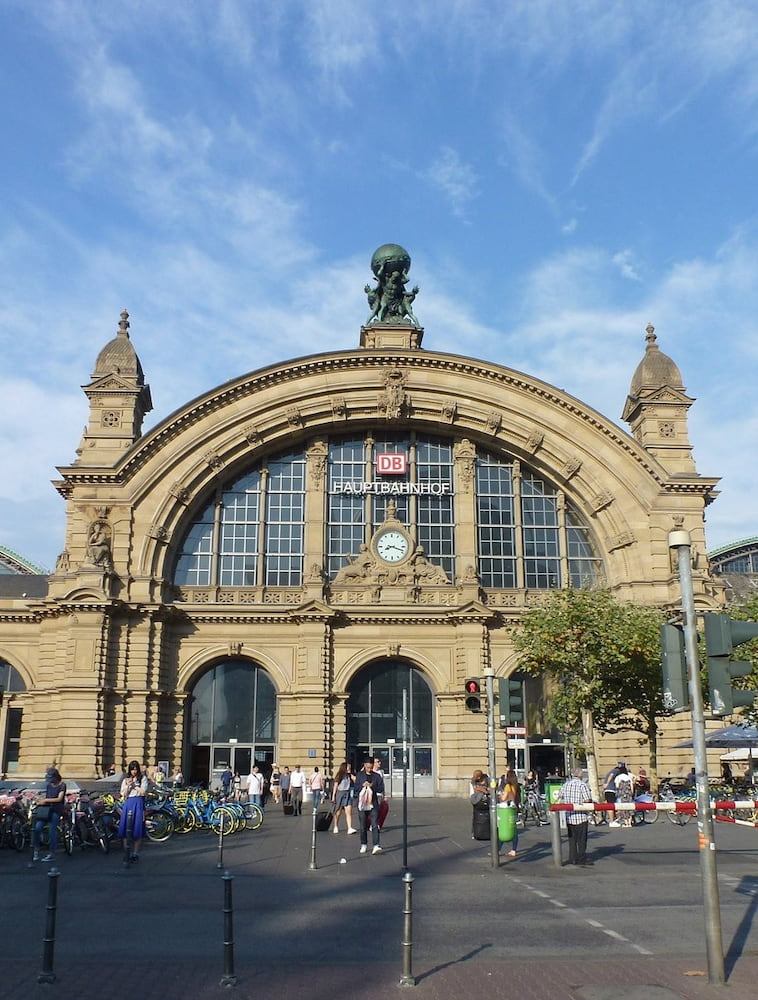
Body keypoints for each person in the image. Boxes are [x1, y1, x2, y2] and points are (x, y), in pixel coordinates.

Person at [558, 767, 594, 867]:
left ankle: (572, 858)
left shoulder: (566, 784)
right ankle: (581, 858)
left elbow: (560, 796)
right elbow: (587, 800)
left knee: (572, 839)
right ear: (580, 775)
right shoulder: (582, 785)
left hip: (569, 816)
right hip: (581, 815)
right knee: (582, 840)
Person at [32, 767, 67, 862]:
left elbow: (59, 799)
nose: (50, 781)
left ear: (56, 777)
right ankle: (36, 849)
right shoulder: (49, 785)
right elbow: (48, 795)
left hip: (56, 810)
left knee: (52, 831)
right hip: (46, 809)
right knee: (37, 828)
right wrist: (39, 799)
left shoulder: (62, 785)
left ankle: (52, 853)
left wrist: (45, 800)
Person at [118, 761, 149, 865]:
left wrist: (134, 785)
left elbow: (143, 791)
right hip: (129, 803)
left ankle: (135, 853)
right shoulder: (125, 780)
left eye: (135, 769)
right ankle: (127, 852)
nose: (134, 771)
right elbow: (124, 795)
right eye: (132, 769)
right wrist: (128, 786)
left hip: (138, 802)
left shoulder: (143, 778)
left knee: (138, 828)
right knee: (126, 829)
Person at [354, 758, 385, 854]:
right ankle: (364, 844)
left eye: (371, 767)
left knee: (375, 824)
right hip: (362, 803)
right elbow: (355, 788)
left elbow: (381, 788)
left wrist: (372, 786)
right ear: (364, 765)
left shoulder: (377, 776)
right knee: (363, 825)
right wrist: (362, 786)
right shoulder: (359, 775)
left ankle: (376, 845)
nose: (369, 769)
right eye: (367, 767)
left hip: (373, 803)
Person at [497, 769, 521, 857]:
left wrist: (499, 796)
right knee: (513, 828)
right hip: (513, 807)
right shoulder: (515, 786)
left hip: (505, 808)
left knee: (503, 828)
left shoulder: (507, 786)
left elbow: (504, 798)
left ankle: (498, 849)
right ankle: (514, 850)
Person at [331, 762, 356, 834]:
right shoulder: (339, 776)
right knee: (338, 812)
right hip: (340, 794)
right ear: (344, 768)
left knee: (349, 811)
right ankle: (335, 826)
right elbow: (335, 787)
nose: (350, 769)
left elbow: (355, 779)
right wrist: (333, 797)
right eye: (348, 767)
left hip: (347, 793)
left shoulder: (349, 776)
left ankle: (349, 828)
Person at [603, 761, 624, 826]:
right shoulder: (617, 771)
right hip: (611, 790)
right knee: (611, 805)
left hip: (607, 790)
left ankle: (611, 819)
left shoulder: (612, 770)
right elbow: (611, 775)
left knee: (610, 804)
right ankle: (612, 822)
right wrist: (607, 784)